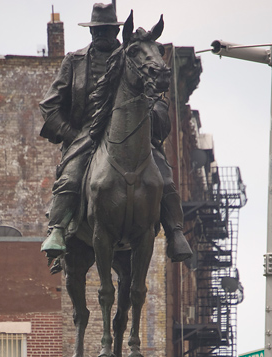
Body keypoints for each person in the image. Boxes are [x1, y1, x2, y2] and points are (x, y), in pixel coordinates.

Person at [40, 3, 192, 263]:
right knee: (71, 176)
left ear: (117, 31)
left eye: (108, 30)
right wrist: (72, 134)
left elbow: (156, 95)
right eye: (97, 30)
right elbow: (50, 105)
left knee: (164, 177)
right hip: (87, 132)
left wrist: (155, 115)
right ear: (91, 32)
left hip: (134, 130)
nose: (102, 35)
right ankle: (58, 229)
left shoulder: (132, 58)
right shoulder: (75, 61)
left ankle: (176, 232)